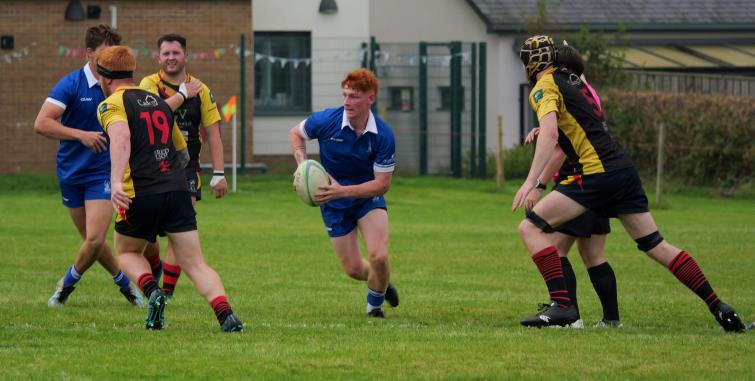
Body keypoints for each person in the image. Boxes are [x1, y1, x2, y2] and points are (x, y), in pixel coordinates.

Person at [512, 35, 745, 332]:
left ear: (529, 64)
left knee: (530, 228)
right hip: (624, 169)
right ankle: (719, 306)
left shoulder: (543, 86)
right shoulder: (573, 79)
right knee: (656, 246)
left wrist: (532, 182)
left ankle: (563, 306)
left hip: (597, 173)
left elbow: (550, 135)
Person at [96, 45, 242, 332]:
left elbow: (121, 138)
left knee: (125, 252)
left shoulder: (111, 104)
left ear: (104, 78)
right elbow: (182, 150)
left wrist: (115, 184)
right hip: (177, 189)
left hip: (140, 192)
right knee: (196, 263)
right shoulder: (155, 100)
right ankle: (226, 315)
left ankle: (154, 292)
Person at [33, 24, 142, 308]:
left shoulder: (120, 87)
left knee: (94, 239)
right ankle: (126, 285)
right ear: (89, 53)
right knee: (91, 242)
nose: (108, 63)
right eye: (103, 56)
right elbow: (41, 123)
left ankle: (65, 286)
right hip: (70, 172)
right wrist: (80, 135)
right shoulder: (71, 84)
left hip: (102, 174)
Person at [287, 68, 400, 318]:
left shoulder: (383, 135)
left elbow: (382, 184)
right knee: (353, 269)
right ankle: (382, 283)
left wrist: (343, 191)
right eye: (345, 95)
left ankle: (374, 307)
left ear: (370, 98)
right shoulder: (327, 121)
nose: (347, 101)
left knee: (379, 256)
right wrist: (302, 163)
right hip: (332, 202)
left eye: (354, 96)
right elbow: (296, 133)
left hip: (366, 198)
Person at [522, 43, 621, 328]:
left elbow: (560, 149)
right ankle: (611, 320)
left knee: (552, 247)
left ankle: (567, 313)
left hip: (582, 181)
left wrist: (537, 184)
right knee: (593, 254)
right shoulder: (586, 92)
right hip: (603, 175)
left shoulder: (559, 90)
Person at [139, 33, 227, 298]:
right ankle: (153, 264)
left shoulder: (202, 90)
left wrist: (219, 174)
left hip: (187, 167)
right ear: (158, 57)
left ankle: (166, 292)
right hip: (152, 165)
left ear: (185, 56)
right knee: (147, 234)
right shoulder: (148, 84)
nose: (171, 58)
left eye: (176, 53)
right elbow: (154, 114)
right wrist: (181, 94)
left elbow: (213, 133)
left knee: (181, 227)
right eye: (166, 53)